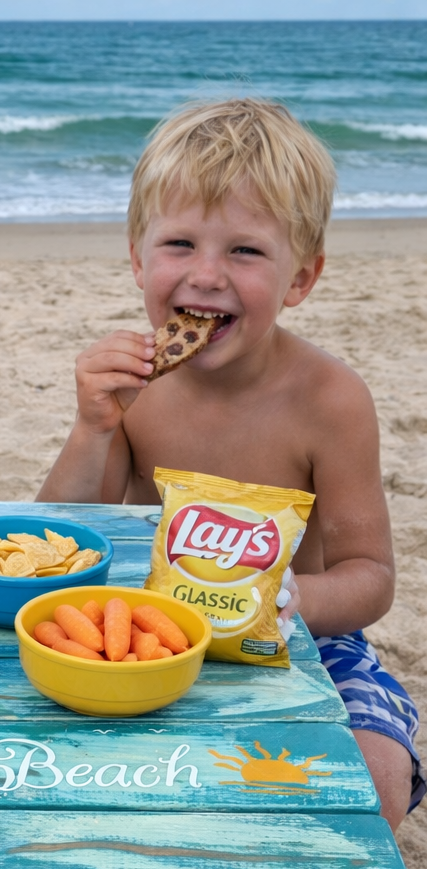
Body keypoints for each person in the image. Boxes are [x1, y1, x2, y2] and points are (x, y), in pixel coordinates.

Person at [39, 98, 420, 831]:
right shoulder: (135, 387)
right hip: (153, 625)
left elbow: (369, 576)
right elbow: (61, 536)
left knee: (378, 776)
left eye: (244, 252)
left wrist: (292, 603)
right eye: (179, 244)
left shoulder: (329, 399)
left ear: (300, 279)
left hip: (299, 636)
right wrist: (93, 427)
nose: (206, 277)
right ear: (137, 258)